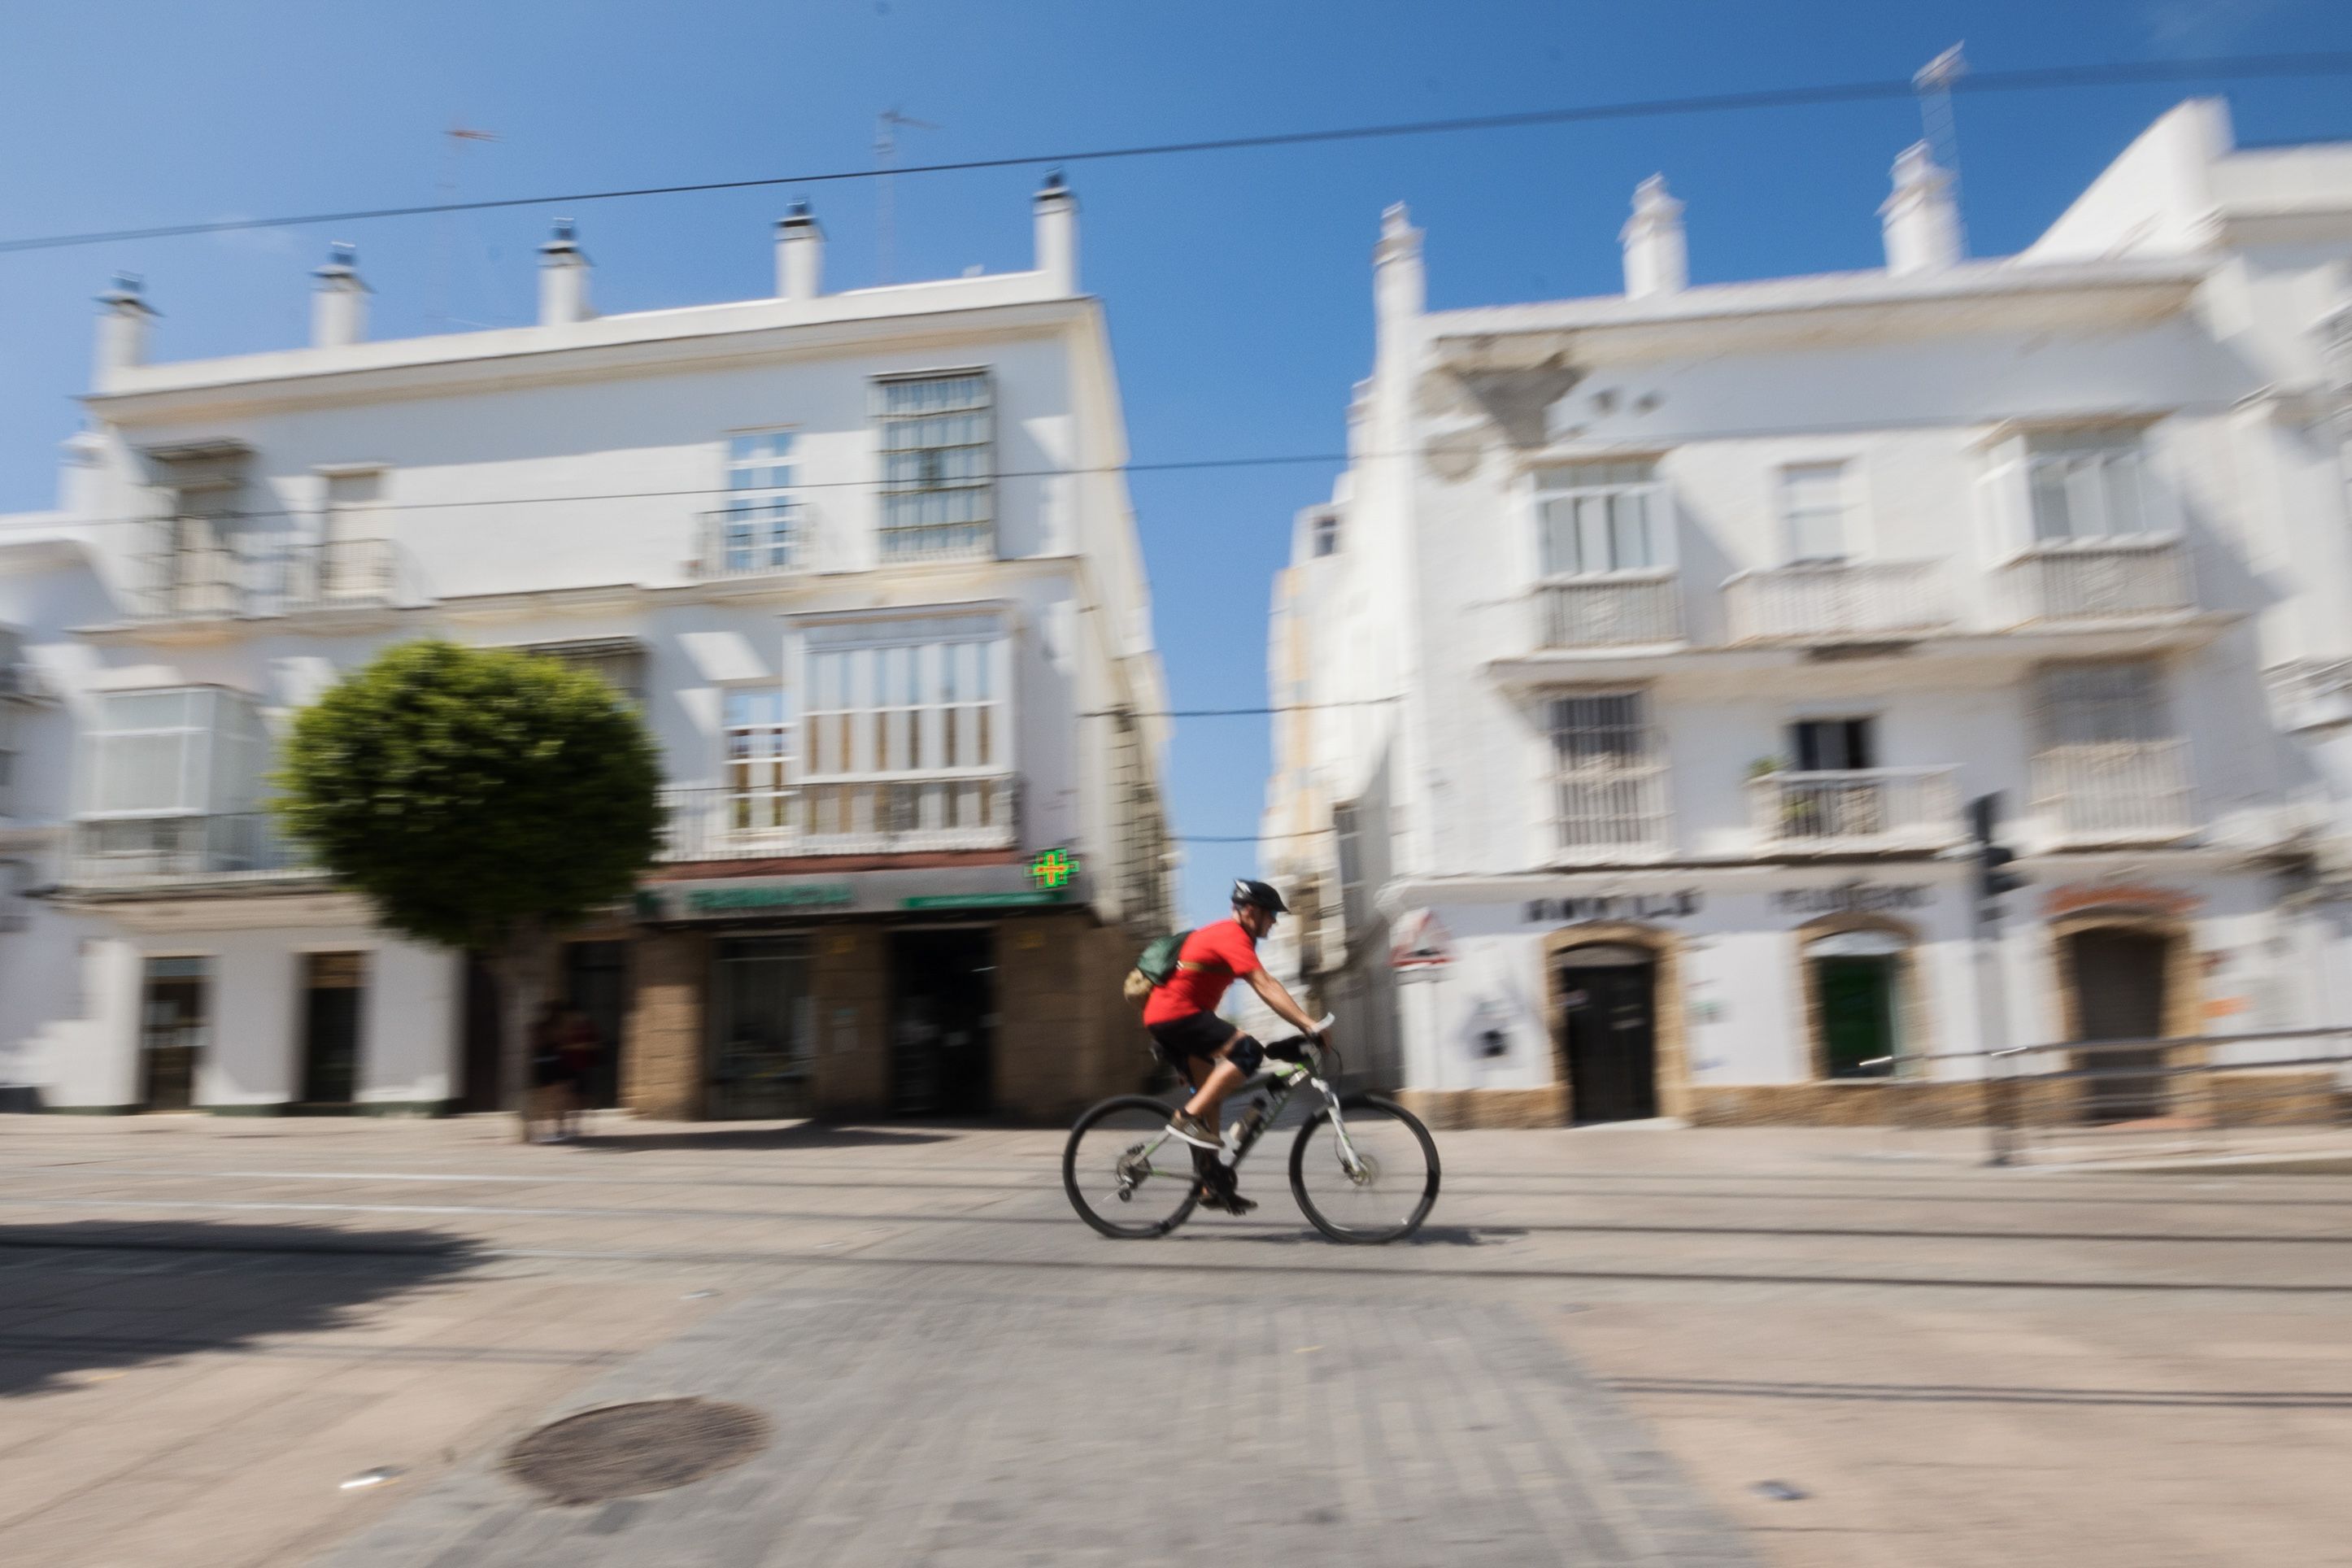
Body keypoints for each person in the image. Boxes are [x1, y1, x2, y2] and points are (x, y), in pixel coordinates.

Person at [1140, 878, 1327, 1214]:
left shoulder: (1231, 938)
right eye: (1271, 915)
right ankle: (1186, 1117)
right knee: (1248, 1052)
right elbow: (1265, 986)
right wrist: (1308, 1024)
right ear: (1252, 912)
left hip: (1176, 1017)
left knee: (1212, 1097)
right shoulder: (1232, 935)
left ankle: (1209, 1184)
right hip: (1175, 1014)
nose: (1274, 922)